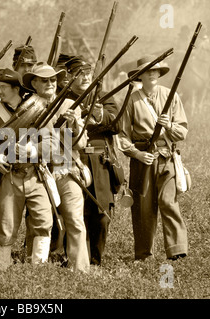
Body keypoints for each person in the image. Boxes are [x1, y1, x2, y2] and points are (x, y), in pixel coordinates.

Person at [0, 67, 57, 270]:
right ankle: (2, 270)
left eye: (3, 86)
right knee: (4, 227)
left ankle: (38, 271)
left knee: (43, 222)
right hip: (9, 176)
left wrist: (32, 150)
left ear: (16, 88)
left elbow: (52, 143)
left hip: (35, 174)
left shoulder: (37, 109)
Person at [117, 55, 189, 261]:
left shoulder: (170, 95)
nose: (152, 74)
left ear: (159, 73)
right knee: (143, 208)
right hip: (142, 159)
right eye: (148, 71)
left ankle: (177, 251)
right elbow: (122, 136)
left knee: (168, 202)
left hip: (166, 157)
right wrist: (137, 154)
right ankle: (143, 254)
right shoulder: (131, 99)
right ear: (141, 75)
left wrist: (169, 125)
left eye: (155, 70)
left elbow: (182, 131)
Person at [22, 62, 90, 272]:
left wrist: (75, 125)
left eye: (53, 79)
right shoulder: (28, 107)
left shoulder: (70, 104)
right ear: (34, 83)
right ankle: (35, 269)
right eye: (44, 80)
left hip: (66, 170)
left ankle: (80, 271)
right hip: (38, 172)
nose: (50, 83)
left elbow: (80, 144)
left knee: (75, 222)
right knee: (37, 223)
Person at [64, 56, 121, 265]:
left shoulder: (104, 97)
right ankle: (77, 260)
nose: (85, 77)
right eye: (79, 73)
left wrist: (101, 114)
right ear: (69, 76)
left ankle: (95, 260)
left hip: (100, 161)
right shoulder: (63, 100)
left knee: (101, 214)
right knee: (75, 213)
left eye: (88, 72)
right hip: (72, 160)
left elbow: (116, 125)